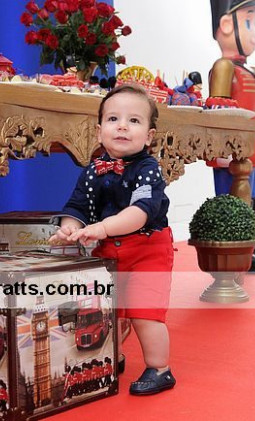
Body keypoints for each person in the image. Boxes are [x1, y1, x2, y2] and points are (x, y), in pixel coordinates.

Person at [50, 84, 175, 396]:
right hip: (109, 253)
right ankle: (111, 356)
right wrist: (69, 228)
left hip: (148, 248)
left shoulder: (148, 169)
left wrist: (103, 228)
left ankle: (160, 368)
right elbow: (77, 206)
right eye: (113, 119)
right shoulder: (93, 171)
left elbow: (140, 212)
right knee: (108, 312)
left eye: (134, 121)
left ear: (149, 136)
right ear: (99, 131)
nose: (122, 126)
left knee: (145, 312)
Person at [207, 0, 255, 272]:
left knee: (254, 195)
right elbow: (218, 110)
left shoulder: (252, 71)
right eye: (248, 22)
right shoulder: (224, 67)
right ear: (226, 25)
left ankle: (251, 246)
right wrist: (222, 150)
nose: (254, 33)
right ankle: (234, 249)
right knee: (232, 196)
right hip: (233, 147)